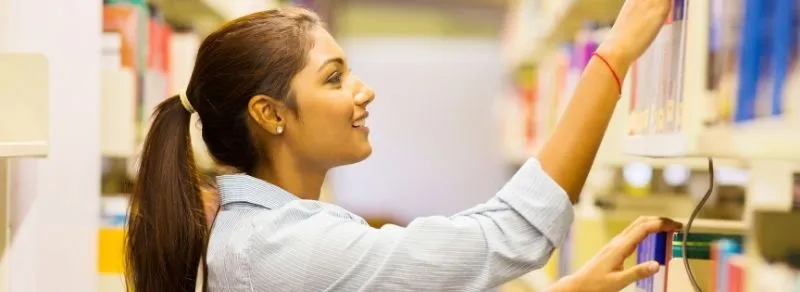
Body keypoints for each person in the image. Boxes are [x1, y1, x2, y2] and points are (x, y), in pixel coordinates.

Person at [124, 0, 682, 291]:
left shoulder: (262, 231)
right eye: (334, 78)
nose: (364, 91)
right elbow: (511, 234)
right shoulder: (283, 247)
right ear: (270, 115)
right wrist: (615, 54)